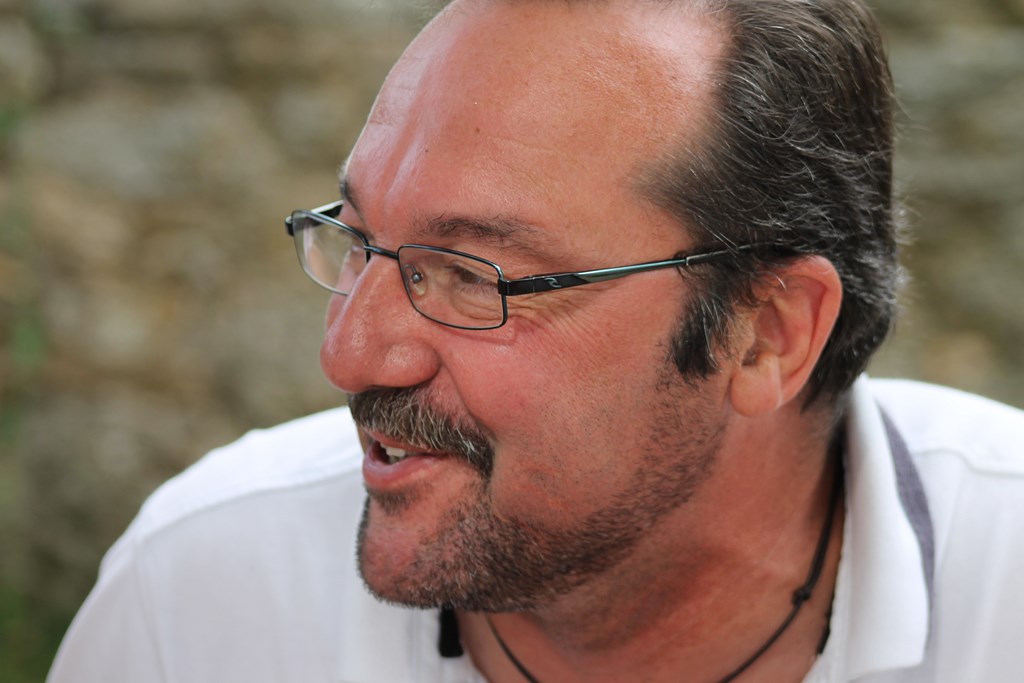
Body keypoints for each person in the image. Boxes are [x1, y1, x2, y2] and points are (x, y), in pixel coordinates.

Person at [48, 0, 1024, 681]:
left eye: (474, 275)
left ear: (765, 333)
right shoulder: (203, 593)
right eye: (357, 238)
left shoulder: (1002, 591)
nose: (349, 355)